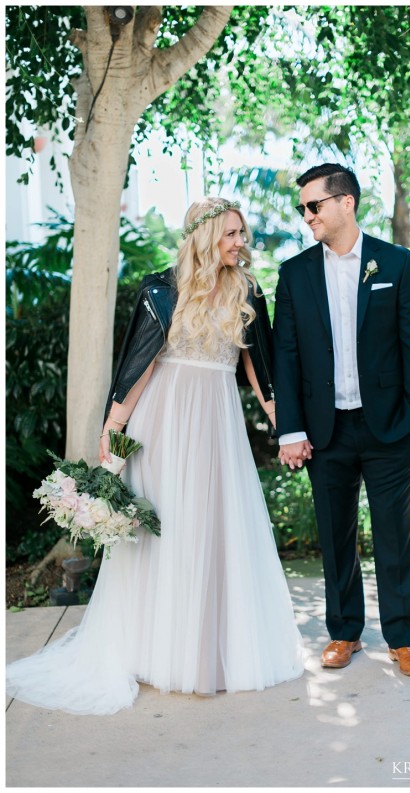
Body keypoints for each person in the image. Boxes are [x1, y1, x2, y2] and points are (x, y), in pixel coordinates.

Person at [6, 198, 304, 715]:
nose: (241, 243)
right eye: (231, 233)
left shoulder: (248, 291)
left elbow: (261, 368)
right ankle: (150, 648)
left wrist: (285, 425)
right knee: (161, 531)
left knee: (212, 528)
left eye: (242, 233)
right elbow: (139, 365)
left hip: (217, 423)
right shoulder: (161, 290)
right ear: (205, 235)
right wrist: (113, 429)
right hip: (163, 423)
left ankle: (208, 651)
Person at [272, 164, 410, 676]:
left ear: (346, 203)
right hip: (326, 429)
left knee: (394, 534)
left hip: (389, 427)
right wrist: (291, 429)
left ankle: (404, 639)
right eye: (302, 208)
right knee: (335, 535)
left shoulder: (397, 263)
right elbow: (287, 357)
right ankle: (344, 633)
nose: (306, 216)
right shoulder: (294, 273)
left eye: (313, 206)